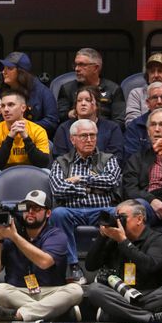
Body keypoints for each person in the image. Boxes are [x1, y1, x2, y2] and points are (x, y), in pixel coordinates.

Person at [0, 190, 83, 322]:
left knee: (76, 291)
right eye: (27, 207)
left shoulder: (56, 235)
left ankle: (18, 315)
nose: (30, 211)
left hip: (50, 291)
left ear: (48, 213)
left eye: (36, 208)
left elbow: (44, 262)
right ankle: (56, 313)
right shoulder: (9, 234)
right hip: (20, 291)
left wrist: (14, 237)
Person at [85, 199, 162, 323]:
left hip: (149, 294)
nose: (118, 221)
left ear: (139, 219)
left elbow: (150, 266)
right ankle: (150, 318)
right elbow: (90, 265)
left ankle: (115, 315)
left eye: (122, 217)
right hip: (120, 295)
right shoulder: (113, 239)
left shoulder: (158, 239)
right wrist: (102, 236)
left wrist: (123, 242)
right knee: (94, 289)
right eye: (116, 217)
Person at [49, 118, 122, 284]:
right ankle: (73, 266)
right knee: (58, 213)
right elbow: (58, 189)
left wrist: (79, 180)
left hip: (101, 210)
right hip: (72, 212)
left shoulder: (108, 159)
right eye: (84, 136)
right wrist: (92, 187)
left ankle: (108, 266)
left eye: (92, 135)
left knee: (116, 213)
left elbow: (111, 181)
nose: (89, 140)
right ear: (72, 139)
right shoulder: (61, 162)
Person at [123, 108, 162, 227]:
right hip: (149, 203)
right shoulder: (136, 158)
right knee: (135, 209)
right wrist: (152, 200)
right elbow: (130, 188)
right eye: (152, 125)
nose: (156, 129)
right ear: (148, 131)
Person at [0, 52, 58, 137]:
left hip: (33, 139)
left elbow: (52, 121)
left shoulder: (42, 92)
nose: (3, 72)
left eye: (9, 68)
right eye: (4, 68)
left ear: (21, 72)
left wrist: (24, 127)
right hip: (2, 140)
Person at [52, 85, 123, 161]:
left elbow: (116, 158)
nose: (83, 103)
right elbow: (59, 158)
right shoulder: (64, 129)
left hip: (102, 171)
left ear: (97, 105)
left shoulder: (112, 128)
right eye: (79, 100)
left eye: (88, 100)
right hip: (70, 171)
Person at [57, 47, 125, 128]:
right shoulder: (67, 88)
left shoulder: (113, 89)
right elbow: (59, 117)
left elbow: (119, 121)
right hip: (74, 133)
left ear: (96, 68)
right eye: (76, 65)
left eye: (82, 65)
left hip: (105, 134)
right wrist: (71, 114)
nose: (77, 69)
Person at [0, 91, 51, 170]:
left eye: (11, 105)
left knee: (46, 172)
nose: (6, 109)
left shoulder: (38, 130)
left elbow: (43, 164)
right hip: (5, 174)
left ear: (23, 108)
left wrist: (26, 138)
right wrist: (10, 138)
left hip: (32, 172)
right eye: (3, 106)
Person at [124, 82, 162, 159]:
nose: (159, 101)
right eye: (154, 98)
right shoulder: (135, 126)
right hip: (144, 169)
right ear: (147, 103)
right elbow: (130, 158)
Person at [126, 54, 162, 124]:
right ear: (148, 76)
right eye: (152, 71)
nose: (156, 75)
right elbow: (131, 123)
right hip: (144, 134)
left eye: (160, 71)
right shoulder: (136, 94)